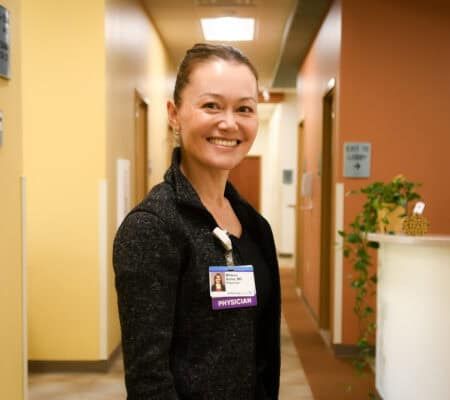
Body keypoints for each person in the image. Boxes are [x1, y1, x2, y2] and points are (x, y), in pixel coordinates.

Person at [113, 43, 281, 400]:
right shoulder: (153, 227)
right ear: (174, 114)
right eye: (211, 105)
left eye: (245, 109)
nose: (230, 123)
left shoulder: (254, 226)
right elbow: (148, 380)